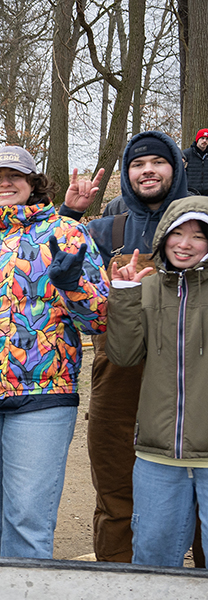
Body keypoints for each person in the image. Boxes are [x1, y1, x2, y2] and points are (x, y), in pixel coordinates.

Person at [0, 146, 107, 559]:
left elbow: (99, 320)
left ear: (33, 184)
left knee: (28, 519)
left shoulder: (67, 234)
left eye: (15, 176)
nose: (5, 183)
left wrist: (73, 285)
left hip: (44, 397)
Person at [82, 132, 189, 562]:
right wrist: (71, 211)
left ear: (175, 169)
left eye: (158, 162)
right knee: (115, 493)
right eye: (138, 164)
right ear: (127, 174)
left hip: (187, 378)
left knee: (197, 493)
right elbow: (66, 280)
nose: (148, 170)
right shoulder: (104, 230)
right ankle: (115, 587)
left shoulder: (197, 227)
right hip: (117, 378)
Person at [105, 197, 208, 566]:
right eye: (177, 233)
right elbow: (124, 355)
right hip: (157, 454)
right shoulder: (147, 289)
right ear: (163, 236)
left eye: (198, 236)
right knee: (152, 563)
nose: (185, 244)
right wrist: (125, 296)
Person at [184, 129, 208, 197]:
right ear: (197, 139)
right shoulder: (186, 154)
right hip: (191, 194)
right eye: (202, 138)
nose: (204, 141)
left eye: (207, 139)